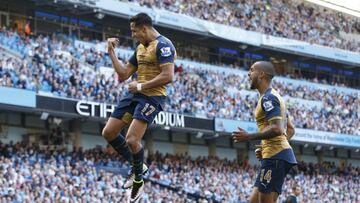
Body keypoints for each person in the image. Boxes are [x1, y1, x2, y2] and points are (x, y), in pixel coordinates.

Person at [102, 12, 176, 202]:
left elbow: (168, 76)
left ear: (144, 28)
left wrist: (141, 85)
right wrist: (111, 53)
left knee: (132, 139)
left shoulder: (164, 45)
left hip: (152, 98)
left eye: (135, 31)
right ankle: (139, 167)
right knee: (109, 132)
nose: (133, 34)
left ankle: (138, 179)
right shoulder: (141, 47)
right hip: (135, 94)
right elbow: (124, 74)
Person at [232, 61, 297, 203]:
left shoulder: (269, 98)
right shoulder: (274, 96)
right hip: (275, 155)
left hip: (275, 157)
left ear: (261, 74)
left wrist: (249, 137)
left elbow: (277, 128)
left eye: (251, 70)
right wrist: (267, 145)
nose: (249, 74)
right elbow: (290, 129)